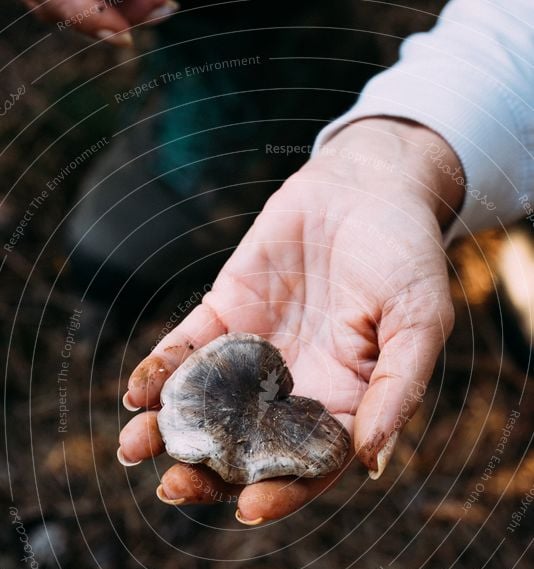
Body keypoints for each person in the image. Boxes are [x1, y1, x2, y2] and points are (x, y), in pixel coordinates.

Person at [25, 0, 534, 524]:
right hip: (214, 65)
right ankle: (240, 83)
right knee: (110, 250)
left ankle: (323, 65)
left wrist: (405, 163)